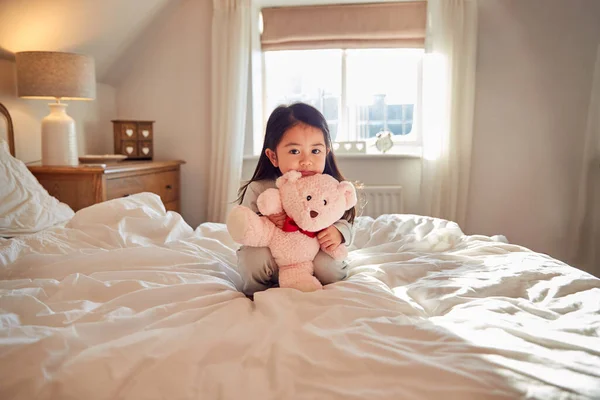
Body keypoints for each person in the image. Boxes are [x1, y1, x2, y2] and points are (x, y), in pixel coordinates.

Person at [236, 102, 356, 296]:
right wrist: (266, 220)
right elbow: (244, 226)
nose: (306, 160)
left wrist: (338, 232)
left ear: (326, 151)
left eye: (315, 151)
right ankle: (261, 292)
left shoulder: (330, 186)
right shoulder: (259, 188)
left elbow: (347, 221)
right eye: (294, 151)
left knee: (330, 267)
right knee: (253, 259)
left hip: (309, 256)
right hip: (274, 257)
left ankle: (312, 284)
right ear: (273, 156)